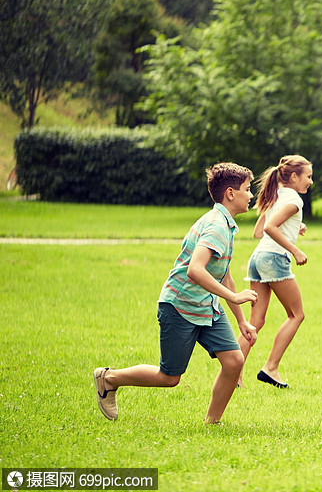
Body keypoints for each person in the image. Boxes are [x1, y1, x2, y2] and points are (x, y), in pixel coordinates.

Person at [92, 162, 259, 424]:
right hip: (180, 305)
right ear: (230, 193)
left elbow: (223, 274)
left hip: (206, 305)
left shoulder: (226, 225)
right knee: (169, 377)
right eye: (247, 190)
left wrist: (241, 320)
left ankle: (212, 423)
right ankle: (109, 378)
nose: (251, 195)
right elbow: (195, 270)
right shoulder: (216, 225)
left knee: (234, 361)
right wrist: (236, 298)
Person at [238, 155, 313, 389]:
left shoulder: (276, 195)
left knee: (255, 322)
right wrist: (295, 249)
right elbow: (269, 228)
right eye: (308, 176)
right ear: (294, 176)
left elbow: (258, 231)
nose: (311, 182)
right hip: (274, 259)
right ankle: (270, 368)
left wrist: (292, 227)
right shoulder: (295, 201)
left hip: (257, 258)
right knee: (296, 314)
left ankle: (233, 373)